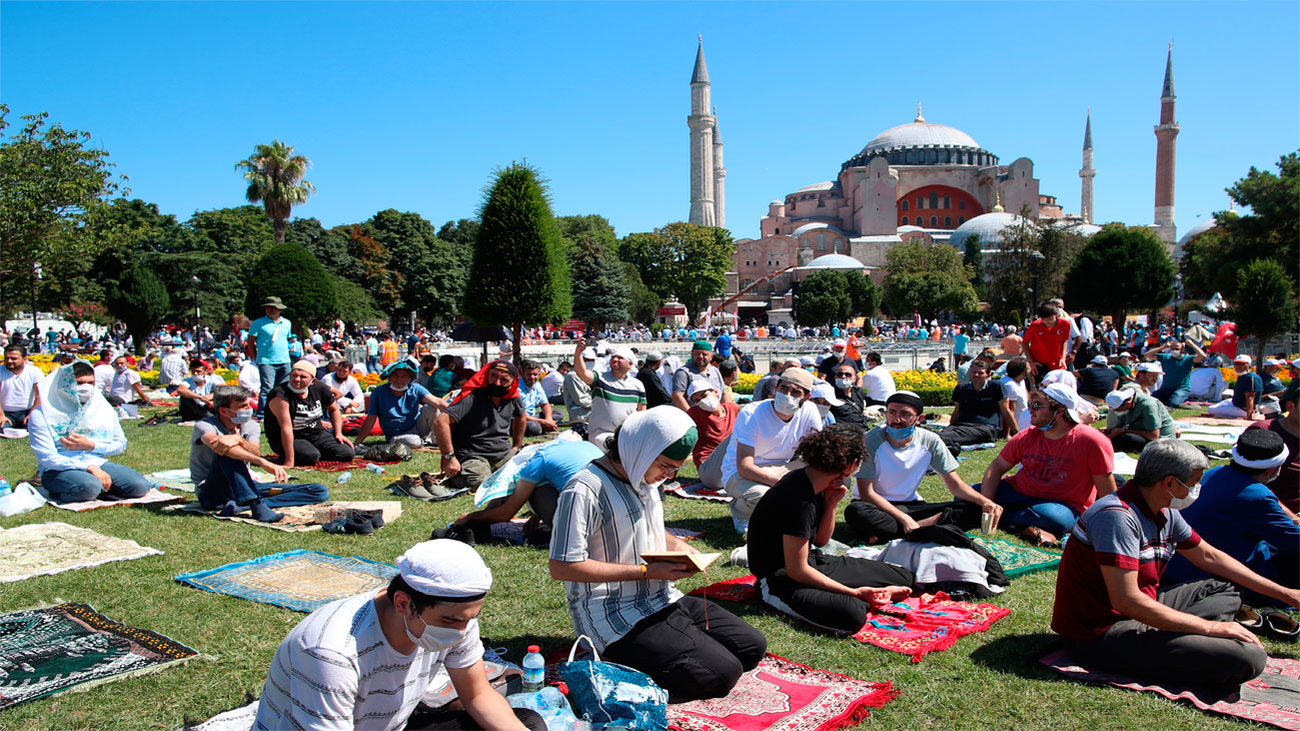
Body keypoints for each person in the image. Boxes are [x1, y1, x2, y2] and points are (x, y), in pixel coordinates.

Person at [549, 408, 767, 701]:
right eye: (666, 466)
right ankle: (622, 661)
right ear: (640, 448)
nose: (670, 475)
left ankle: (674, 645)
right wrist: (645, 572)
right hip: (615, 616)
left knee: (751, 646)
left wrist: (679, 547)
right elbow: (563, 566)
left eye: (675, 468)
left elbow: (644, 525)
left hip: (661, 597)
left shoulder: (644, 476)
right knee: (719, 675)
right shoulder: (584, 490)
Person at [1051, 439, 1298, 689]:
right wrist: (1209, 627)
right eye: (1193, 483)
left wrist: (1287, 594)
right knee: (1249, 658)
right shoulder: (1116, 517)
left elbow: (1210, 557)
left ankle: (1178, 638)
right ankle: (1185, 641)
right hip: (1099, 633)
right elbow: (1126, 601)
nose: (1197, 488)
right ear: (1169, 483)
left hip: (1141, 610)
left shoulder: (1165, 511)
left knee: (1223, 587)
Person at [255, 540, 544, 731]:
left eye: (469, 620)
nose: (461, 632)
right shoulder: (332, 652)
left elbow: (478, 696)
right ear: (403, 603)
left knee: (525, 723)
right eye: (450, 621)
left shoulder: (458, 619)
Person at [748, 424, 916, 634]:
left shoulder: (815, 482)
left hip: (812, 563)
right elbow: (796, 570)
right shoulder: (798, 498)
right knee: (852, 613)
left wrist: (831, 504)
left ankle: (863, 594)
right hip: (778, 579)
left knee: (903, 576)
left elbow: (820, 541)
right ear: (851, 464)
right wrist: (854, 593)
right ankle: (858, 597)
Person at [847, 391, 1000, 544]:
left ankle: (909, 531)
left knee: (973, 509)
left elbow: (955, 484)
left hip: (911, 506)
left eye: (905, 414)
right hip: (875, 506)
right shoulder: (870, 440)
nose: (897, 419)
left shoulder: (930, 440)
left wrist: (985, 502)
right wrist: (904, 519)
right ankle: (924, 529)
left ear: (919, 419)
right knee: (856, 512)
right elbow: (867, 494)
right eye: (892, 412)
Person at [1162, 430, 1299, 597]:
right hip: (1212, 575)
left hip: (1179, 566)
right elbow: (1294, 542)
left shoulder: (1217, 472)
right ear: (1270, 471)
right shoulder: (1257, 497)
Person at [981, 383, 1116, 546]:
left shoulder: (1091, 440)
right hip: (1020, 492)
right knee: (968, 495)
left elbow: (1107, 489)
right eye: (1030, 404)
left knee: (1053, 519)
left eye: (1037, 405)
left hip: (1063, 505)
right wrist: (986, 503)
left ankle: (998, 515)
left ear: (1060, 411)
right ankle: (1008, 516)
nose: (1030, 409)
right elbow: (996, 468)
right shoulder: (1027, 436)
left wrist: (1113, 519)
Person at [191, 385, 328, 523]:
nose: (249, 409)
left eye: (249, 403)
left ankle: (243, 505)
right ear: (223, 410)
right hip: (212, 490)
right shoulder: (204, 425)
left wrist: (239, 439)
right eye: (243, 406)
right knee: (228, 451)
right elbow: (217, 446)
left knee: (318, 491)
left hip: (245, 485)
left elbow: (255, 451)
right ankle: (255, 505)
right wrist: (262, 462)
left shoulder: (250, 425)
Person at [27, 361, 152, 504]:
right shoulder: (42, 414)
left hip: (98, 462)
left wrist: (91, 446)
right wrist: (88, 467)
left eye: (90, 383)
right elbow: (47, 457)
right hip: (58, 468)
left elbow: (120, 444)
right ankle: (62, 490)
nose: (86, 388)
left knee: (140, 486)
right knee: (88, 487)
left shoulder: (103, 409)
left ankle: (99, 487)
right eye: (79, 383)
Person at [720, 367, 823, 531]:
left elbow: (818, 452)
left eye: (796, 392)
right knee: (764, 496)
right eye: (784, 388)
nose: (788, 395)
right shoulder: (752, 413)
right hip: (739, 472)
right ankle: (740, 511)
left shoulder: (809, 411)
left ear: (807, 397)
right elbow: (744, 467)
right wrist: (785, 486)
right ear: (776, 388)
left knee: (822, 472)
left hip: (782, 467)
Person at [454, 439, 603, 533]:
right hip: (614, 520)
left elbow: (505, 513)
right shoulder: (587, 445)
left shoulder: (537, 459)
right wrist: (538, 515)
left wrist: (471, 517)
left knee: (531, 485)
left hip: (580, 529)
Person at [433, 359, 526, 494]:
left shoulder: (512, 396)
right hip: (473, 455)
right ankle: (458, 477)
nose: (497, 382)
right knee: (481, 483)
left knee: (532, 473)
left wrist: (516, 446)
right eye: (493, 376)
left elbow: (521, 417)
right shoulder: (473, 396)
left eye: (504, 379)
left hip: (503, 454)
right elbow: (441, 422)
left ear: (512, 381)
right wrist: (449, 458)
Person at [264, 360, 355, 468]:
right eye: (294, 375)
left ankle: (313, 452)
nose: (297, 379)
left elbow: (334, 410)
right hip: (288, 437)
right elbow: (286, 428)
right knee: (310, 456)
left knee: (347, 453)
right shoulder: (280, 395)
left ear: (313, 380)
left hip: (316, 434)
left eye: (303, 377)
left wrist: (338, 433)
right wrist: (289, 461)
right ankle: (298, 454)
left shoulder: (319, 387)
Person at [354, 360, 447, 448]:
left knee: (431, 408)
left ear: (410, 378)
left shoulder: (416, 388)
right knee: (413, 441)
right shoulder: (378, 392)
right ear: (389, 376)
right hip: (396, 434)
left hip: (417, 427)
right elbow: (371, 418)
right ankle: (421, 441)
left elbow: (437, 402)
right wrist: (357, 442)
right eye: (396, 375)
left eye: (404, 376)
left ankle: (438, 441)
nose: (399, 379)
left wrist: (456, 413)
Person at [572, 339, 645, 447]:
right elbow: (582, 373)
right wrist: (578, 354)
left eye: (620, 358)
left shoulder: (637, 385)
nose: (615, 359)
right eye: (613, 357)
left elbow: (642, 409)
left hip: (627, 435)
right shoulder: (600, 378)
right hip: (600, 434)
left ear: (629, 364)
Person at [1244, 383, 1299, 512]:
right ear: (1291, 407)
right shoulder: (1264, 432)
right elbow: (1247, 483)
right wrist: (1292, 519)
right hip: (1272, 513)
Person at [938, 359, 1004, 454]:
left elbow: (1005, 411)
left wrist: (1010, 434)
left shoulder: (996, 387)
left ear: (988, 375)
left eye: (980, 373)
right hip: (961, 426)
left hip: (984, 428)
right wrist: (951, 425)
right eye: (974, 372)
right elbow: (957, 411)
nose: (976, 375)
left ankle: (944, 445)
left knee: (944, 436)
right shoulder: (961, 388)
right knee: (943, 434)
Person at [246, 297, 294, 418]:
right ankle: (263, 414)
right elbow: (251, 341)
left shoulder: (287, 323)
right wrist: (256, 357)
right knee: (267, 388)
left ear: (279, 309)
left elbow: (286, 339)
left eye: (273, 308)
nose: (270, 310)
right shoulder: (258, 323)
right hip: (266, 360)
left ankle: (281, 411)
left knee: (283, 388)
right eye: (268, 308)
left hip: (284, 360)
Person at [685, 378, 738, 468]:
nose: (702, 401)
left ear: (716, 392)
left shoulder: (732, 409)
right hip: (709, 462)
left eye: (704, 395)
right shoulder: (695, 414)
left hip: (733, 458)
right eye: (697, 400)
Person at [1103, 388, 1176, 452]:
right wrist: (1111, 430)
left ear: (1127, 404)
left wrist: (1124, 431)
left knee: (1127, 438)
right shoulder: (1125, 407)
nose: (1117, 412)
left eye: (1118, 410)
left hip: (1161, 442)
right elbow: (1122, 425)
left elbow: (1154, 435)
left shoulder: (1148, 405)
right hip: (1143, 435)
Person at [1143, 338, 1206, 407]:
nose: (1174, 351)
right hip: (1165, 389)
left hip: (1181, 389)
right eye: (1172, 349)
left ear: (1182, 350)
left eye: (1177, 349)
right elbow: (1147, 355)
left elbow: (1202, 356)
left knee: (1174, 403)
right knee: (1151, 400)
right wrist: (1163, 347)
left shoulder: (1187, 359)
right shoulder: (1166, 358)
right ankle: (1170, 399)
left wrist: (1192, 344)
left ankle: (1189, 400)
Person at [671, 340, 727, 411]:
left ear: (711, 357)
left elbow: (724, 393)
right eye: (696, 354)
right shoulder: (684, 372)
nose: (700, 357)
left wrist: (725, 412)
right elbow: (677, 397)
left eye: (704, 354)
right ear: (691, 355)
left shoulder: (714, 371)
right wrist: (693, 416)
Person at [1022, 304, 1072, 379]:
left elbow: (1064, 341)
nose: (1046, 322)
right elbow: (1024, 342)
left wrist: (1063, 357)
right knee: (1040, 388)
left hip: (1057, 363)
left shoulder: (1065, 324)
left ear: (1056, 314)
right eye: (1043, 319)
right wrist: (1031, 361)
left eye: (1049, 319)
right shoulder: (1035, 325)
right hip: (1038, 363)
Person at [1, 344, 42, 429]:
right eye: (6, 358)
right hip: (5, 412)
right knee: (4, 428)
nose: (9, 361)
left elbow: (40, 395)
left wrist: (32, 414)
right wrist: (1, 415)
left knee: (35, 426)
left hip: (27, 412)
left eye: (13, 358)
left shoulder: (35, 372)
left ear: (25, 359)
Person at [1209, 355, 1263, 419]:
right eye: (1236, 364)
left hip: (1243, 409)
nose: (1238, 366)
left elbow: (1250, 397)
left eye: (1242, 364)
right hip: (1236, 403)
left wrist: (1249, 415)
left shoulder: (1251, 377)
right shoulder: (1242, 376)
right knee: (1217, 405)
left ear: (1249, 365)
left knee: (1211, 409)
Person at [514, 359, 558, 437]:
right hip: (519, 419)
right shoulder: (516, 388)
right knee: (533, 427)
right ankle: (545, 427)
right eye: (529, 374)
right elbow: (518, 415)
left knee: (559, 413)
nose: (532, 377)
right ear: (522, 374)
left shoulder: (536, 385)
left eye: (535, 374)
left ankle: (547, 425)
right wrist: (543, 422)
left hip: (533, 417)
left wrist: (548, 419)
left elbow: (545, 404)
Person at [828, 360, 868, 430]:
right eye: (839, 374)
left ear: (854, 379)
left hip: (862, 429)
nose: (843, 376)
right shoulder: (830, 394)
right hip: (844, 432)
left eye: (848, 375)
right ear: (835, 377)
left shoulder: (858, 392)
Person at [999, 356, 1032, 437]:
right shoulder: (1009, 386)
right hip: (1016, 427)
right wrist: (1007, 434)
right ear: (1023, 373)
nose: (1030, 369)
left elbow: (1028, 398)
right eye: (1028, 368)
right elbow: (1009, 411)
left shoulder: (1021, 380)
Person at [561, 350, 594, 424]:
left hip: (589, 410)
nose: (590, 362)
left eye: (592, 360)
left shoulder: (589, 374)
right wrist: (599, 404)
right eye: (587, 360)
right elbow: (581, 400)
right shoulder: (573, 376)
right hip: (581, 413)